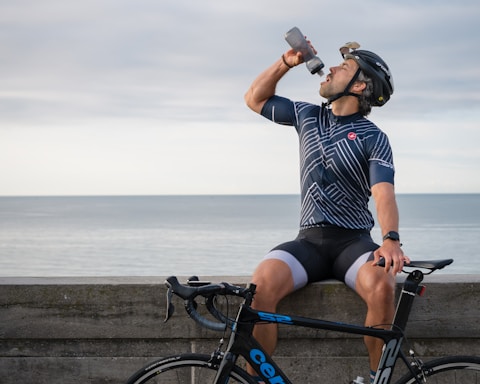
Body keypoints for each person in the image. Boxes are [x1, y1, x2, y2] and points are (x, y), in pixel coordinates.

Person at [244, 39, 410, 384]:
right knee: (259, 288)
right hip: (308, 242)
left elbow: (383, 194)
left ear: (360, 85)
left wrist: (390, 239)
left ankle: (378, 379)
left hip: (353, 244)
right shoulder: (308, 115)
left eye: (343, 68)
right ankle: (256, 380)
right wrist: (285, 63)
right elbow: (255, 99)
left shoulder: (373, 137)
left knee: (382, 285)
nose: (331, 68)